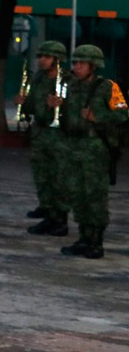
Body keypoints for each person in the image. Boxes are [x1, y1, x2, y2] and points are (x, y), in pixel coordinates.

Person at [56, 45, 128, 259]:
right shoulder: (73, 86)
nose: (76, 66)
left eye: (81, 63)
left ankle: (96, 241)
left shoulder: (107, 87)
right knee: (77, 195)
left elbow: (123, 114)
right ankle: (83, 237)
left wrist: (98, 118)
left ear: (93, 66)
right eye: (75, 62)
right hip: (74, 147)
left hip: (95, 149)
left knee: (94, 196)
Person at [15, 41, 70, 236]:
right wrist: (23, 103)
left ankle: (60, 218)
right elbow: (32, 106)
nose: (41, 60)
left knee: (59, 177)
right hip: (40, 132)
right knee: (42, 175)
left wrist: (59, 105)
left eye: (46, 57)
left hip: (59, 136)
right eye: (40, 57)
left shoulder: (68, 80)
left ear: (57, 59)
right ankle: (48, 212)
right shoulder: (38, 78)